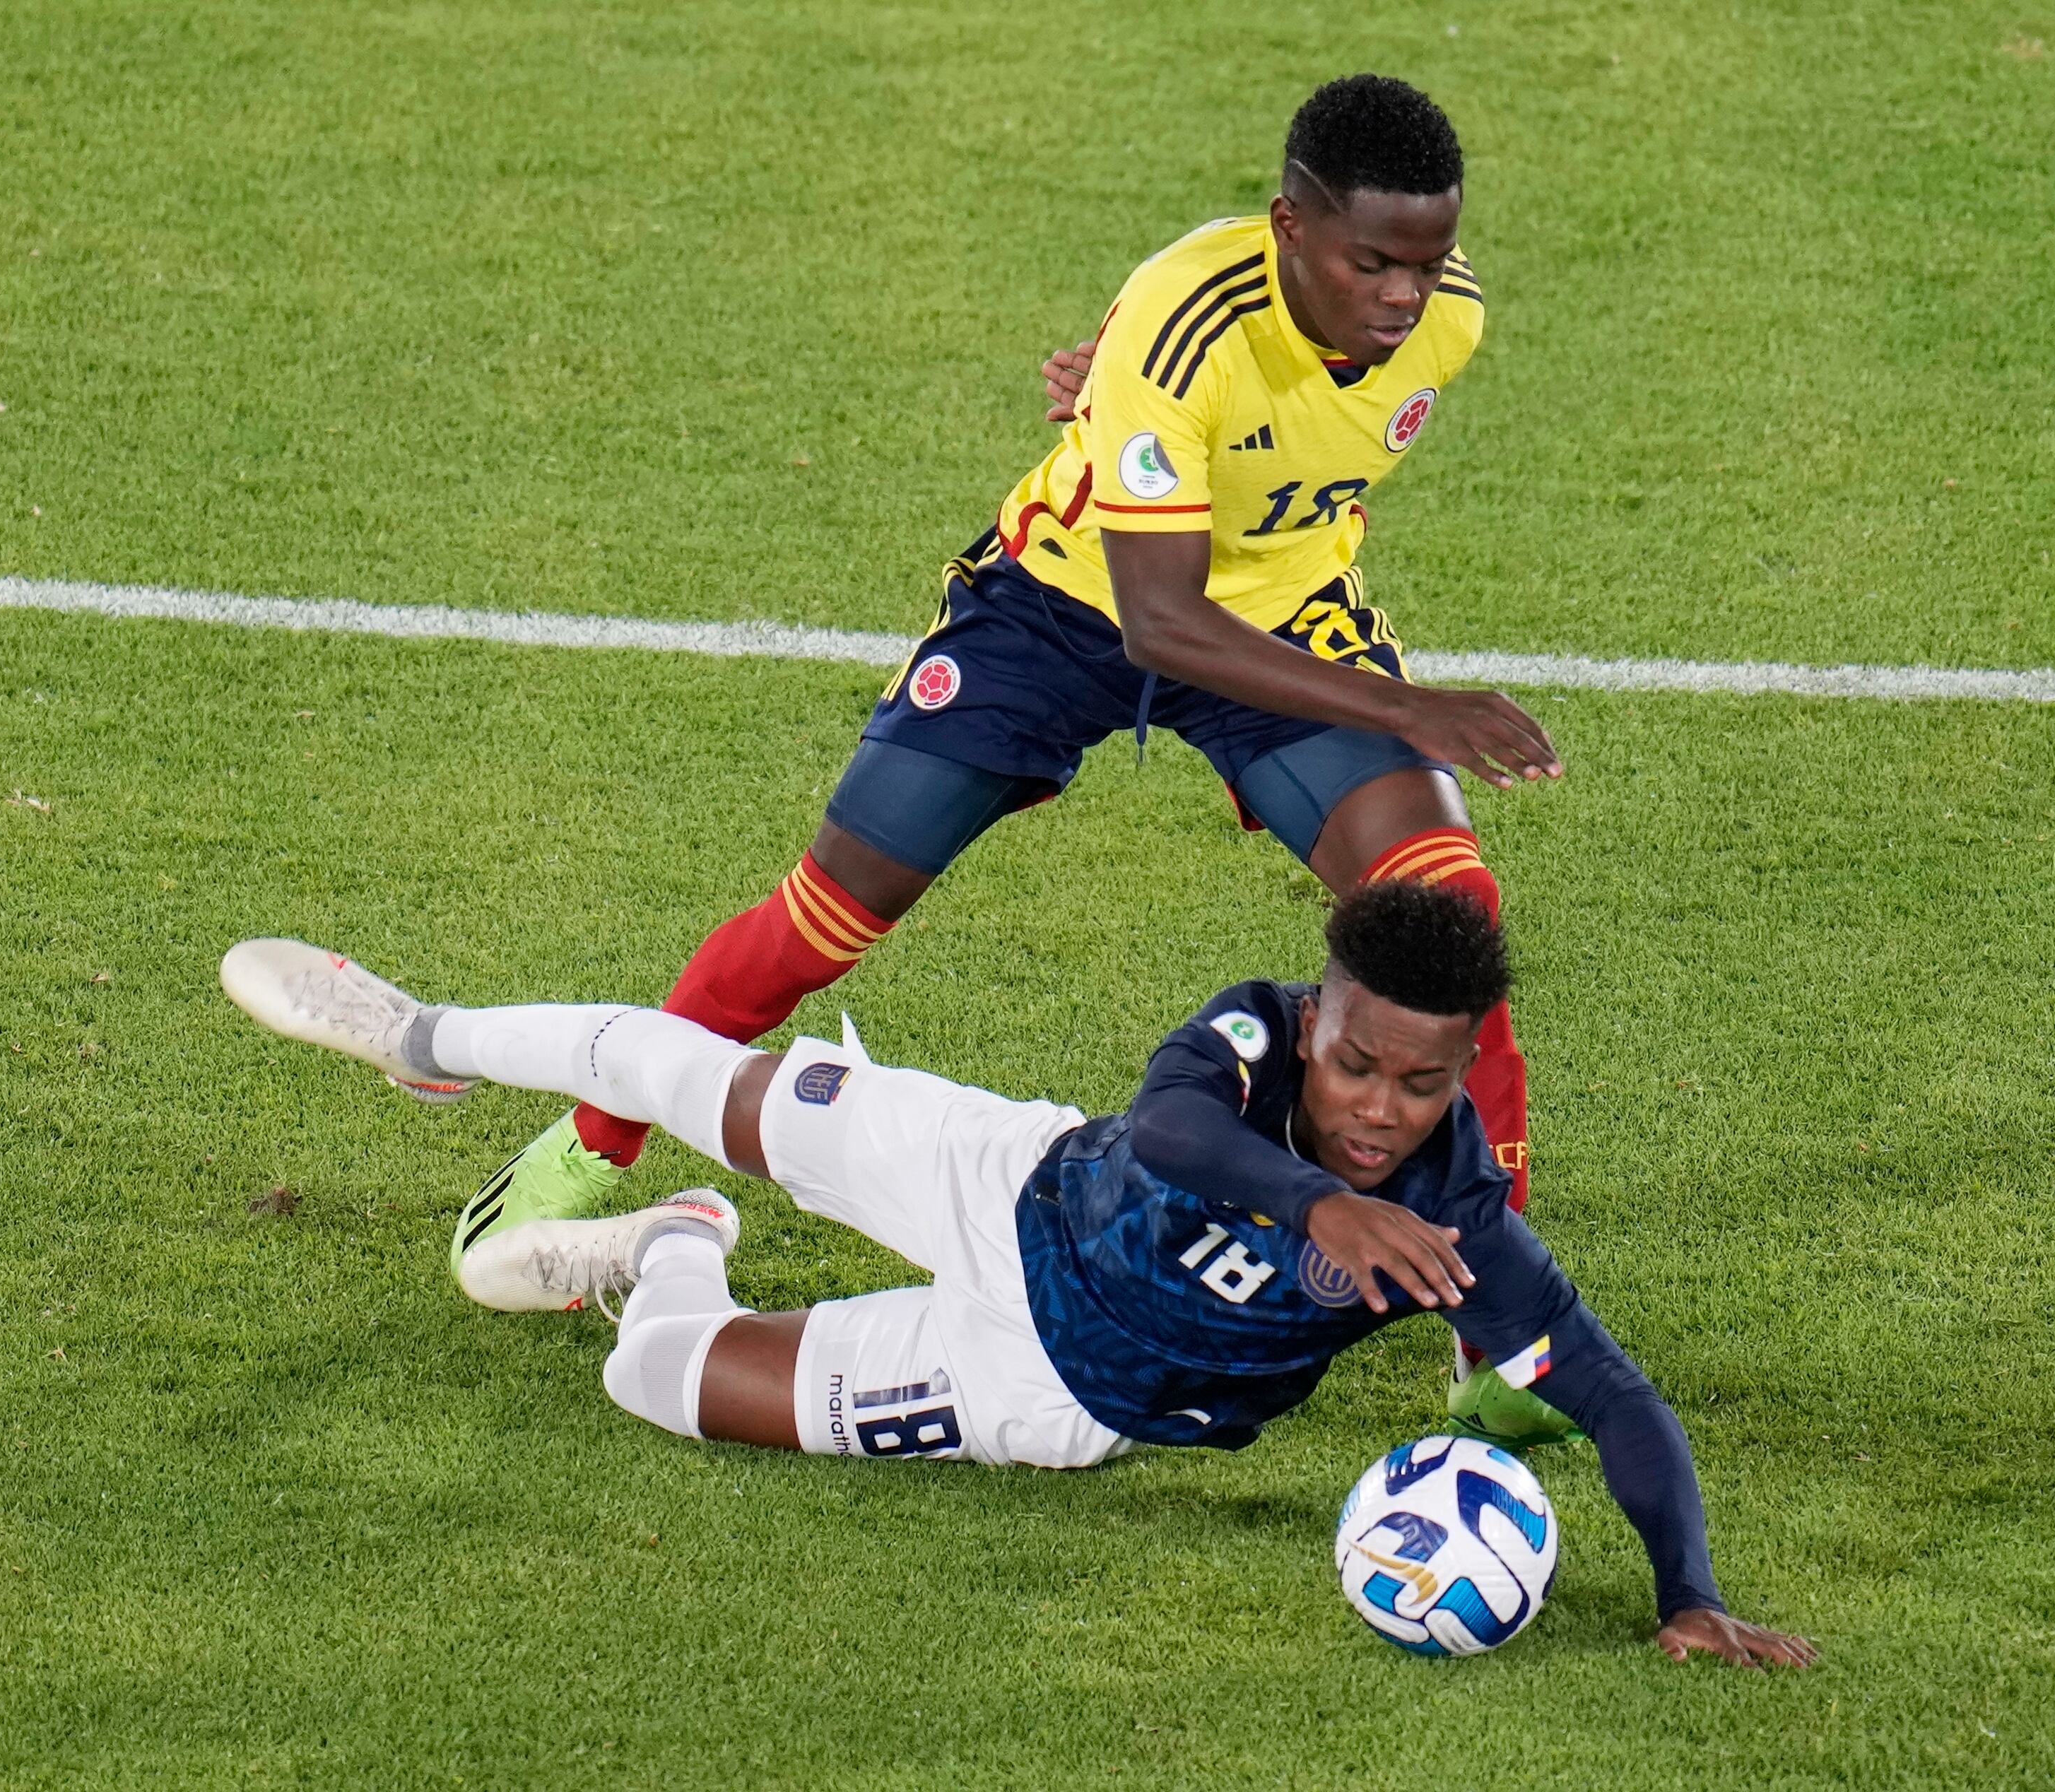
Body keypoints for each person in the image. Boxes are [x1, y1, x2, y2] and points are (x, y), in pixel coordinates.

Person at [462, 73, 1563, 1313]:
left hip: (1282, 614)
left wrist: (1126, 397)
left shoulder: (1444, 320)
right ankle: (589, 1143)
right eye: (1374, 264)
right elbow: (1160, 618)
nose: (1405, 296)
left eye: (1426, 261)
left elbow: (1261, 427)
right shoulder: (1185, 320)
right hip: (1061, 609)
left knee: (1449, 917)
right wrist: (1409, 707)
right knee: (832, 910)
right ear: (1288, 227)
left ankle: (1500, 1312)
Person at [217, 885, 1813, 1668]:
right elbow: (1179, 1129)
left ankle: (672, 1241)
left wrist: (1691, 1594)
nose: (1382, 1108)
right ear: (1318, 1017)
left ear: (1463, 1070)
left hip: (1050, 1390)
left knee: (656, 1380)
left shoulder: (1464, 1227)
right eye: (1358, 1062)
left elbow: (1613, 1399)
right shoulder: (1248, 1035)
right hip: (1002, 1176)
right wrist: (1317, 1212)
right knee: (671, 1055)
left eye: (1421, 1084)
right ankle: (416, 1033)